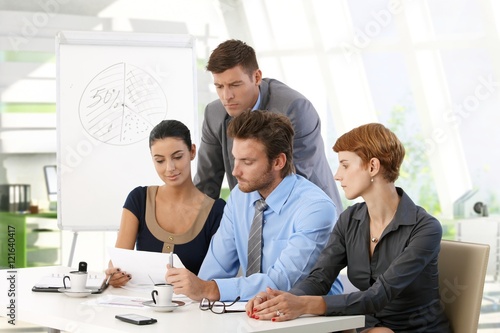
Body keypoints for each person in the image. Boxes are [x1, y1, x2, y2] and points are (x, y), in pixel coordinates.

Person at [247, 123, 451, 333]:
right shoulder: (350, 219)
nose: (337, 175)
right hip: (367, 327)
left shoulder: (425, 228)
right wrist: (278, 299)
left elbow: (378, 296)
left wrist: (305, 305)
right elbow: (319, 279)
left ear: (372, 167)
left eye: (345, 165)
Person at [166, 110, 343, 301]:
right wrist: (197, 287)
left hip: (310, 320)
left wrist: (210, 289)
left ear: (278, 162)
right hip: (254, 314)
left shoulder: (315, 208)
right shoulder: (239, 198)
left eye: (247, 162)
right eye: (235, 159)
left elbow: (282, 283)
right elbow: (214, 270)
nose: (235, 171)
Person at [194, 39, 343, 215]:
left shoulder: (295, 108)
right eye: (219, 86)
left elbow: (293, 182)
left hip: (310, 214)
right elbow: (205, 186)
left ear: (256, 77)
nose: (226, 96)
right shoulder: (214, 113)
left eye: (235, 85)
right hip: (251, 218)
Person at [106, 120, 226, 287]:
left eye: (177, 157)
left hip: (194, 310)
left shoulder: (217, 211)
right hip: (141, 306)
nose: (170, 168)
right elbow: (118, 262)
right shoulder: (139, 199)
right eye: (160, 160)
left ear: (192, 151)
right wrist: (114, 275)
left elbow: (217, 280)